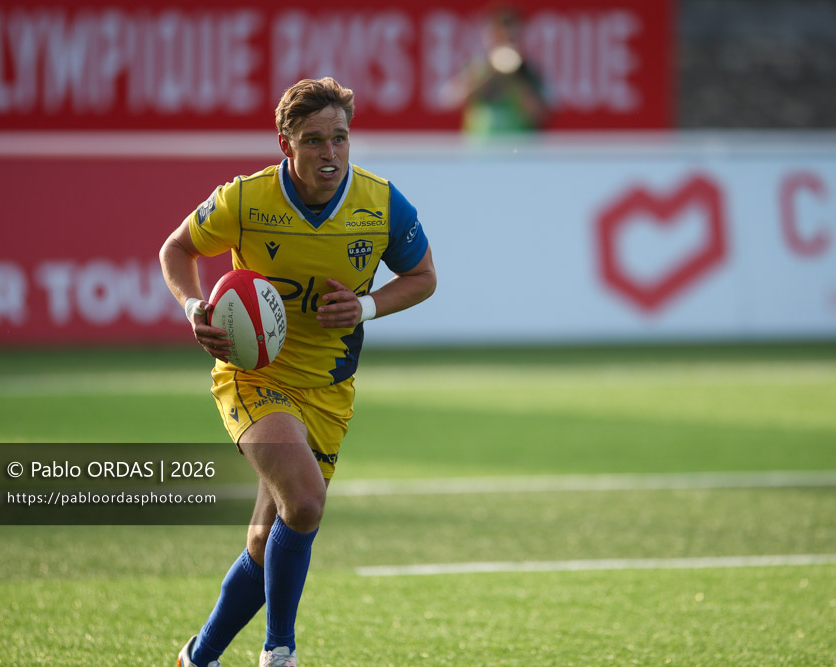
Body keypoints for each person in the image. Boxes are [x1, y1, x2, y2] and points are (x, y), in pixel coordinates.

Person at [159, 77, 436, 667]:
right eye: (313, 141)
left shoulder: (382, 204)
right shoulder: (245, 200)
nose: (329, 153)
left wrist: (366, 306)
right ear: (286, 143)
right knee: (306, 502)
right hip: (254, 376)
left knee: (266, 539)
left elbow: (423, 278)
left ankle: (195, 658)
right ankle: (279, 651)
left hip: (329, 387)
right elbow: (176, 250)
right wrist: (194, 307)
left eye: (339, 138)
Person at [442, 5, 549, 137]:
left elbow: (540, 114)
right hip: (481, 153)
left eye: (511, 37)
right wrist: (490, 75)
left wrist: (514, 78)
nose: (505, 42)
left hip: (519, 153)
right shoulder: (476, 68)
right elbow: (450, 102)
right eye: (500, 36)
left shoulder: (529, 72)